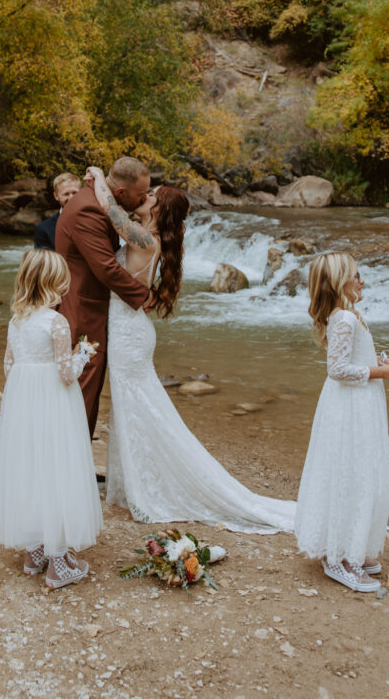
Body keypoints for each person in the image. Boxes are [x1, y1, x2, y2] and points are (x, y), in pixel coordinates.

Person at [85, 165, 296, 534]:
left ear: (158, 211)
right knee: (131, 410)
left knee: (140, 410)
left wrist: (99, 176)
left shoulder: (145, 240)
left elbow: (111, 210)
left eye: (151, 196)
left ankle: (149, 491)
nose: (145, 197)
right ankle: (130, 486)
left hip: (129, 336)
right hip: (128, 330)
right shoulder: (149, 238)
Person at [294, 252, 389, 593]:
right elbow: (337, 369)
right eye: (356, 276)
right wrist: (383, 372)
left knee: (365, 473)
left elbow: (354, 358)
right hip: (350, 406)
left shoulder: (350, 315)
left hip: (360, 402)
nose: (362, 281)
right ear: (338, 281)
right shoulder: (343, 317)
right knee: (352, 474)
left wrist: (386, 361)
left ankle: (353, 548)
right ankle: (337, 559)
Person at [0, 249, 103, 589]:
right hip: (54, 406)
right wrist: (83, 355)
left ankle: (33, 551)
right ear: (55, 283)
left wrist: (27, 385)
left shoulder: (16, 321)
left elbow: (9, 367)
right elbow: (66, 375)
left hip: (23, 406)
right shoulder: (57, 322)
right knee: (56, 470)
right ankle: (57, 564)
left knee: (32, 469)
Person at [55, 157, 152, 439]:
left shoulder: (97, 199)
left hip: (90, 308)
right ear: (120, 193)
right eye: (141, 194)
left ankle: (78, 463)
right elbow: (106, 268)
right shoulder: (88, 209)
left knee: (86, 388)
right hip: (83, 311)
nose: (145, 197)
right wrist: (145, 297)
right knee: (82, 388)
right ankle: (71, 467)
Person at [34, 172, 81, 251]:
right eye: (66, 194)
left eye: (74, 193)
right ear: (56, 196)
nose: (71, 198)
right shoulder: (43, 229)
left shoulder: (94, 221)